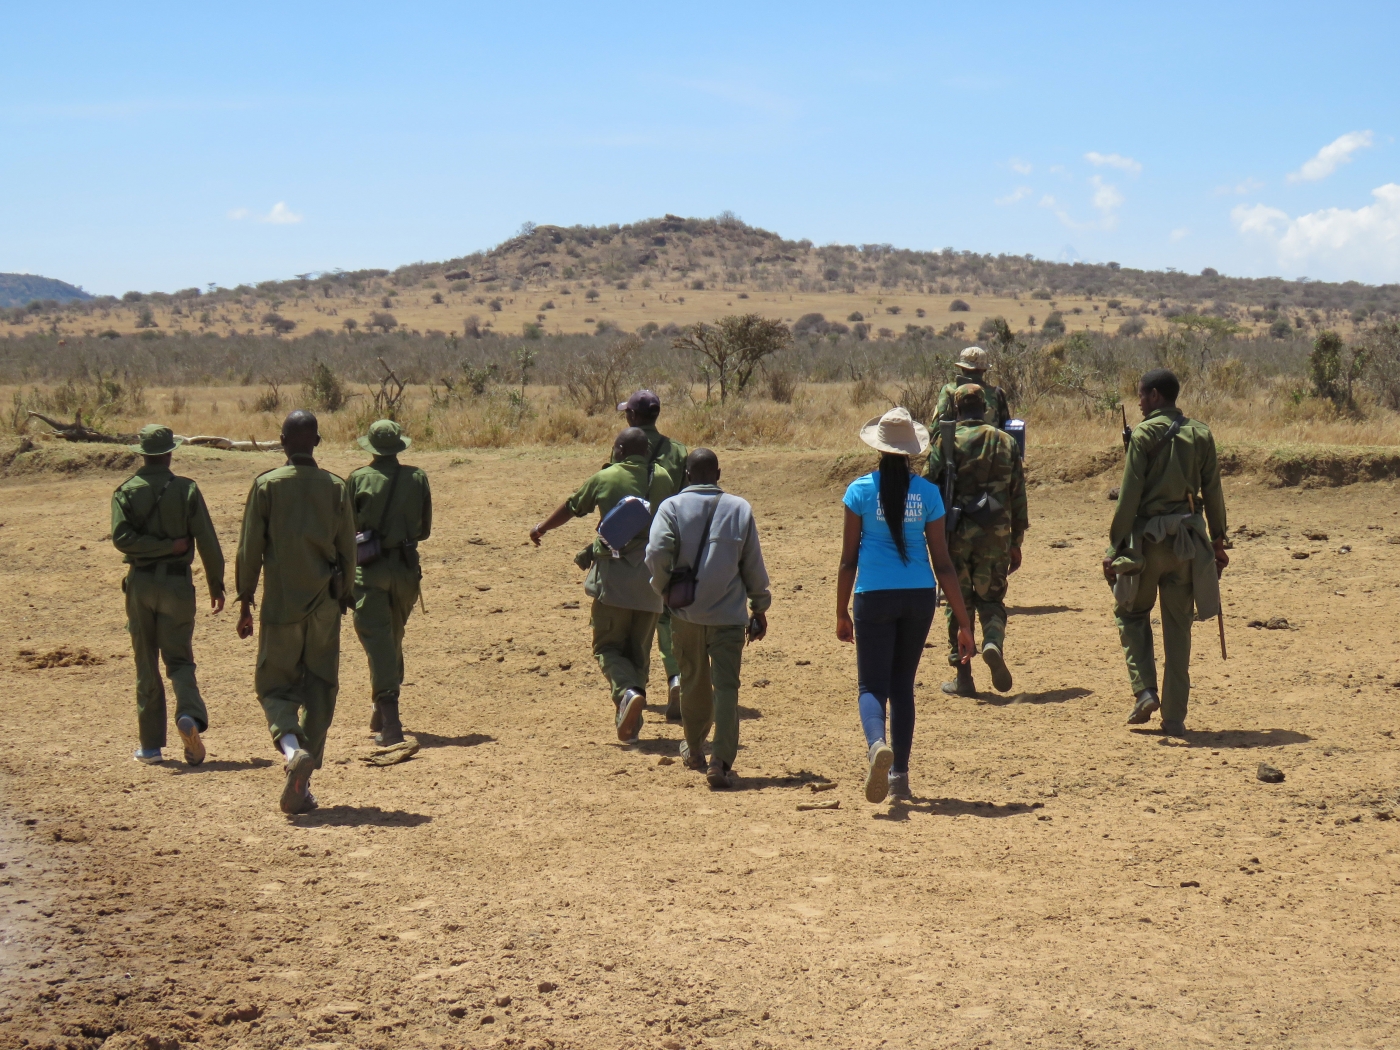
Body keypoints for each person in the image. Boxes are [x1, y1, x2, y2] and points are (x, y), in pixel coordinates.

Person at [836, 407, 975, 803]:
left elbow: (848, 560)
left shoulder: (859, 491)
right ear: (913, 451)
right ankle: (899, 775)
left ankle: (877, 743)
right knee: (903, 686)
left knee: (870, 685)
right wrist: (964, 624)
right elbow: (943, 562)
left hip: (872, 595)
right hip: (919, 595)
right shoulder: (929, 494)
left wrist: (841, 611)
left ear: (878, 448)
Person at [235, 410, 357, 814]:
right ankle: (303, 780)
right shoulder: (336, 488)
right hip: (324, 606)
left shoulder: (267, 486)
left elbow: (250, 548)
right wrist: (344, 593)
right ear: (317, 443)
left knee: (274, 688)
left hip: (281, 607)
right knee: (321, 689)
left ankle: (291, 752)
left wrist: (245, 599)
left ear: (282, 441)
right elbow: (348, 551)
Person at [1103, 369, 1228, 737]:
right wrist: (1218, 541)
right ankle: (1174, 716)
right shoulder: (1201, 433)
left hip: (1146, 545)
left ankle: (1144, 691)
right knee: (1179, 629)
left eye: (1141, 395)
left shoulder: (1143, 434)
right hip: (1188, 544)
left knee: (1129, 612)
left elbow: (1128, 498)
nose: (1139, 402)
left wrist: (1115, 546)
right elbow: (1215, 490)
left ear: (1155, 396)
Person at [530, 427, 673, 743]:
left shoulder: (605, 478)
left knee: (607, 648)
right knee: (638, 653)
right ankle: (630, 723)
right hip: (653, 580)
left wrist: (541, 528)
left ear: (619, 450)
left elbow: (572, 506)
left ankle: (628, 693)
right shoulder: (663, 477)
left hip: (615, 580)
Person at [645, 448, 770, 790]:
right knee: (727, 687)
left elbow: (656, 552)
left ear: (686, 475)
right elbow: (752, 563)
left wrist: (663, 587)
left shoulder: (670, 507)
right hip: (729, 616)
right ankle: (722, 759)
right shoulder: (740, 508)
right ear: (719, 473)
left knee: (692, 678)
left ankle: (696, 748)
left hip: (686, 613)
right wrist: (759, 605)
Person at [111, 424, 225, 766]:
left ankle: (150, 747)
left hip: (141, 583)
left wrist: (155, 547)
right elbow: (207, 540)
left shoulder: (126, 491)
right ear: (170, 452)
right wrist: (216, 584)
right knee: (179, 660)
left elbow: (121, 539)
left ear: (143, 454)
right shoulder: (187, 490)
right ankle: (187, 715)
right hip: (177, 585)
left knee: (145, 662)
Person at [924, 384, 1029, 696]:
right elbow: (1018, 494)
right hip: (996, 534)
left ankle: (963, 675)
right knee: (992, 599)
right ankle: (993, 642)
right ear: (984, 408)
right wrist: (1016, 540)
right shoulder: (1006, 441)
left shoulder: (946, 439)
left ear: (957, 409)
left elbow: (930, 482)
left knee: (958, 605)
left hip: (955, 534)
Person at [350, 420, 432, 747]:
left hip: (369, 568)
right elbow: (424, 530)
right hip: (406, 569)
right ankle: (381, 707)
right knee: (392, 637)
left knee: (378, 640)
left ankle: (391, 722)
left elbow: (345, 528)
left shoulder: (357, 479)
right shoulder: (417, 478)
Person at [618, 389, 690, 721]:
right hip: (671, 540)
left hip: (632, 545)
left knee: (638, 617)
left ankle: (635, 688)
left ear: (633, 416)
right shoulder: (677, 451)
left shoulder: (625, 446)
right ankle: (675, 677)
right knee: (667, 615)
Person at [933, 347, 1012, 429]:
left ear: (962, 368)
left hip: (957, 441)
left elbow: (936, 426)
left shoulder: (948, 390)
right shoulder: (997, 393)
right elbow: (1006, 428)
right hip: (991, 440)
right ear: (984, 369)